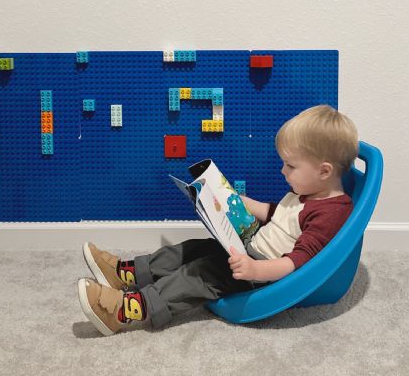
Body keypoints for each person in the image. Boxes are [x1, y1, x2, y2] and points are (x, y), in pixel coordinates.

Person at [77, 104, 359, 336]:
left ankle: (128, 311)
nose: (283, 170)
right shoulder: (310, 191)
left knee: (200, 274)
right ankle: (128, 274)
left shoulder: (331, 212)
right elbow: (281, 216)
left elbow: (297, 262)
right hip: (252, 250)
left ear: (324, 171)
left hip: (263, 273)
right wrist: (241, 203)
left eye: (291, 165)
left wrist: (254, 271)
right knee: (194, 248)